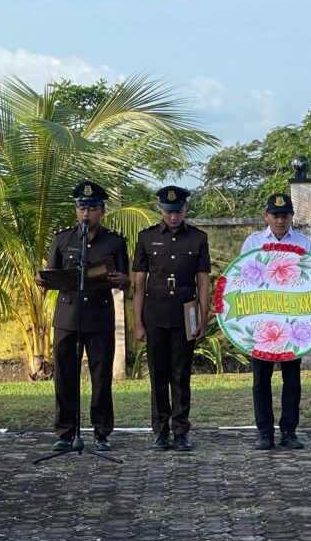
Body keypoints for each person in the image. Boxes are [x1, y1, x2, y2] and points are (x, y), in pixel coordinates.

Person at [36, 181, 130, 452]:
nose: (86, 213)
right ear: (76, 210)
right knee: (65, 377)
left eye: (91, 208)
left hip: (99, 317)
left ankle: (101, 433)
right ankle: (66, 433)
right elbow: (49, 275)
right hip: (68, 317)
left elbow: (126, 279)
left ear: (102, 211)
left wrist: (120, 279)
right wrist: (41, 279)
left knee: (101, 379)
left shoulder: (115, 241)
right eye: (81, 208)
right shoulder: (62, 239)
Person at [133, 186, 210, 452]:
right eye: (168, 212)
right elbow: (139, 285)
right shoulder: (146, 238)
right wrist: (138, 322)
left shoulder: (198, 238)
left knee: (181, 374)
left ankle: (180, 430)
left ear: (185, 209)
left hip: (186, 314)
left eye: (178, 211)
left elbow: (203, 282)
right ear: (160, 209)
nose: (173, 216)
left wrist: (203, 317)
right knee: (158, 375)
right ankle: (160, 431)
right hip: (155, 315)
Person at [240, 193, 311, 450]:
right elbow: (242, 279)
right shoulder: (253, 242)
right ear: (266, 216)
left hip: (293, 324)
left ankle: (289, 431)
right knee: (261, 380)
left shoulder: (304, 243)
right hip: (262, 322)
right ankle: (264, 432)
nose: (280, 220)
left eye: (285, 215)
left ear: (292, 216)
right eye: (275, 215)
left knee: (292, 379)